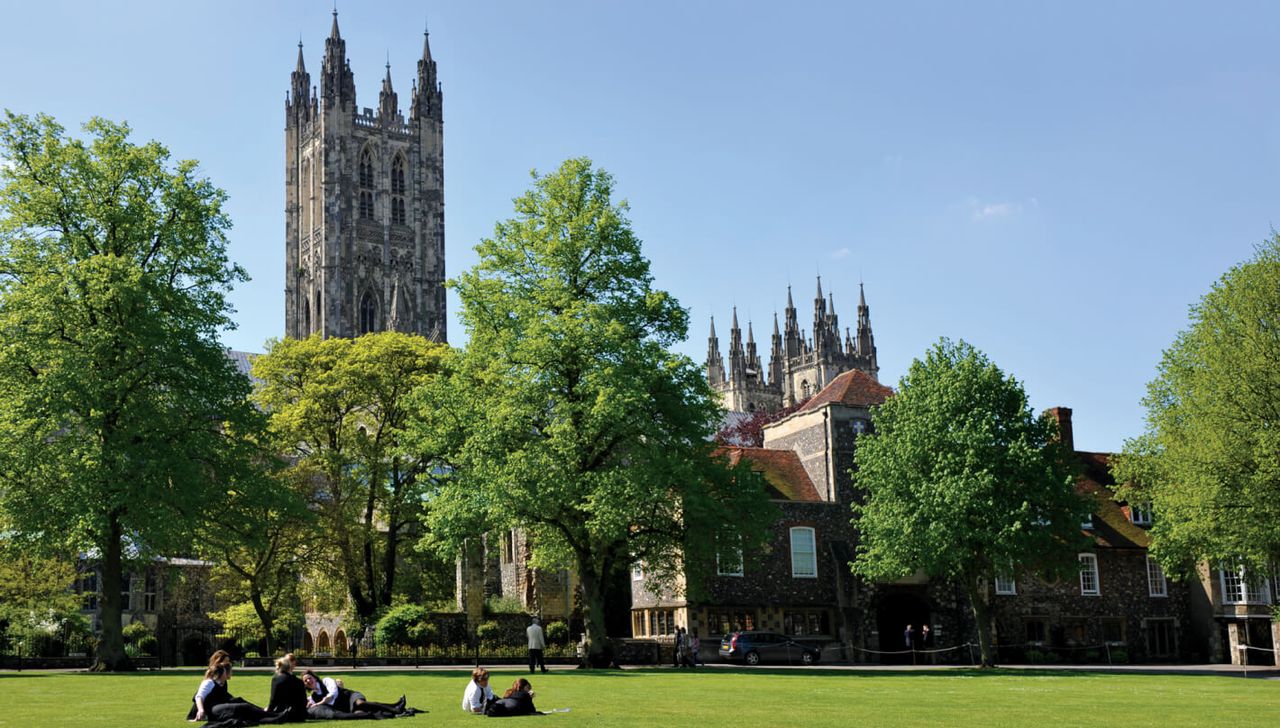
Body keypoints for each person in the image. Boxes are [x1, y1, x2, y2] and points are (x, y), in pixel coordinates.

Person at [302, 669, 407, 719]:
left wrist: (320, 702)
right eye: (305, 681)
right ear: (306, 686)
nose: (308, 681)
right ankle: (395, 711)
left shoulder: (326, 681)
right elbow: (307, 703)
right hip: (346, 708)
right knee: (362, 713)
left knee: (360, 704)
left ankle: (394, 708)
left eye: (309, 678)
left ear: (314, 678)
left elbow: (332, 694)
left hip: (351, 697)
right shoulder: (313, 696)